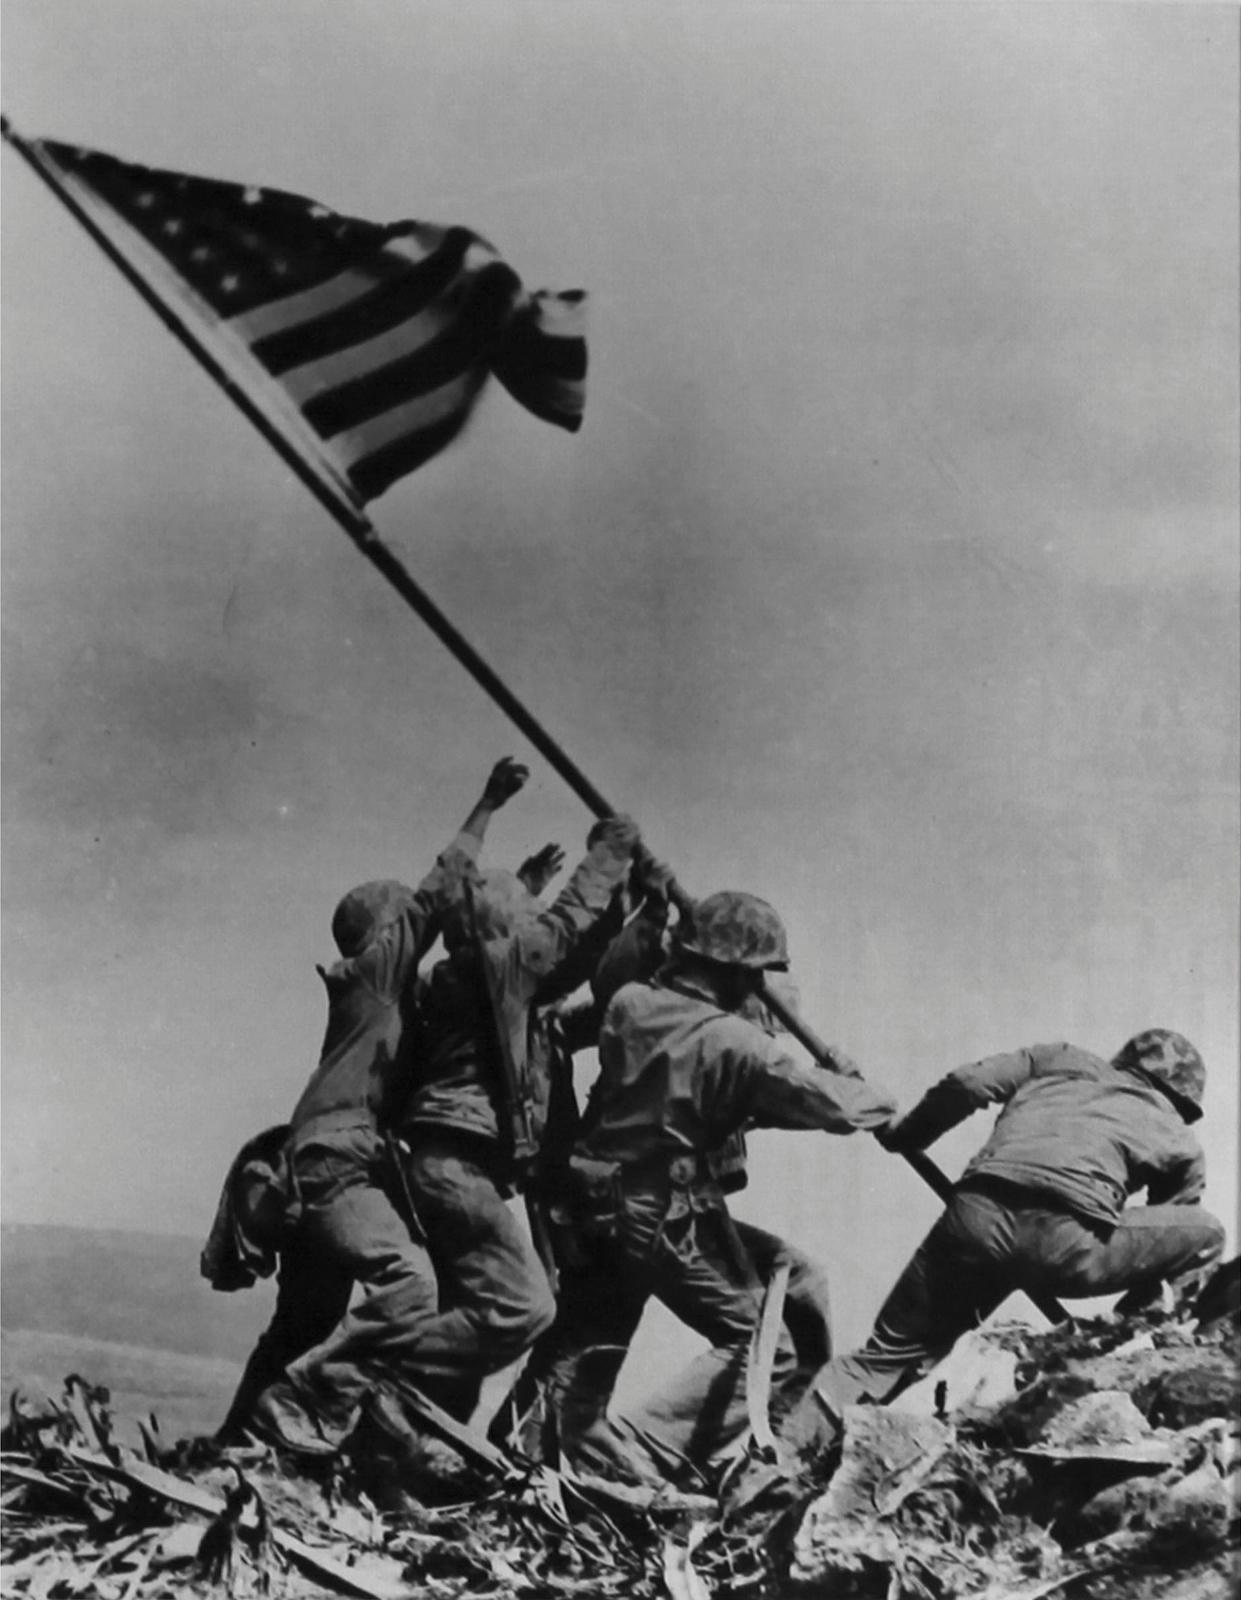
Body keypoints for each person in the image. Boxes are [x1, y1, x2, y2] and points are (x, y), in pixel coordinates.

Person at [222, 757, 531, 1454]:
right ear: (384, 933)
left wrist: (522, 894)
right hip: (339, 1162)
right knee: (409, 1286)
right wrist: (487, 804)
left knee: (304, 1321)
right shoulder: (374, 975)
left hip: (320, 1163)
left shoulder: (383, 1000)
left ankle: (234, 1443)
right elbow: (438, 890)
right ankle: (310, 1410)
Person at [535, 890, 895, 1481]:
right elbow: (830, 1107)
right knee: (766, 1347)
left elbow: (720, 1091)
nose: (758, 986)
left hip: (598, 1201)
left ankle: (776, 1444)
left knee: (795, 1282)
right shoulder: (735, 1043)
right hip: (658, 1213)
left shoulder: (631, 1004)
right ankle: (640, 1453)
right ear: (731, 970)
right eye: (754, 974)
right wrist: (868, 1092)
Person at [775, 1028, 1227, 1476]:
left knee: (884, 1356)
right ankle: (1130, 1336)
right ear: (1183, 1101)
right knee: (1206, 1233)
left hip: (973, 1221)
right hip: (1065, 1244)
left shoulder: (1059, 1059)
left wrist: (907, 1137)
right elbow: (1164, 1246)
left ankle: (782, 1459)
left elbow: (967, 1084)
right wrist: (1133, 1321)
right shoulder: (1179, 1138)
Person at [369, 811, 642, 1432]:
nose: (534, 919)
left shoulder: (490, 989)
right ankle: (367, 1373)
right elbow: (563, 934)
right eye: (524, 911)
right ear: (501, 929)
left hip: (452, 1168)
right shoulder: (488, 970)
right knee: (522, 1306)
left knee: (471, 1321)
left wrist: (632, 911)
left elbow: (575, 976)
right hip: (453, 1168)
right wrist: (609, 854)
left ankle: (408, 1444)